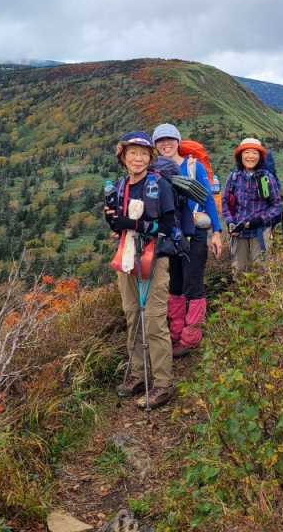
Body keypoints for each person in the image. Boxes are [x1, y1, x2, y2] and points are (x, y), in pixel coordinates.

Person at [104, 131, 176, 408]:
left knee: (155, 320)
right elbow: (117, 225)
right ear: (122, 157)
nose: (138, 158)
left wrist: (133, 224)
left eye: (143, 153)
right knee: (133, 316)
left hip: (154, 257)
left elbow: (169, 227)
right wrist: (113, 220)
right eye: (132, 153)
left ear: (150, 158)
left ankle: (162, 383)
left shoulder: (159, 185)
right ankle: (136, 373)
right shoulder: (120, 186)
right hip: (126, 256)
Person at [152, 123, 223, 358]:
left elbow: (208, 200)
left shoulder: (194, 166)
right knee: (175, 285)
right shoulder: (155, 169)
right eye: (161, 140)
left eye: (170, 139)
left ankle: (191, 337)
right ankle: (175, 333)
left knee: (193, 284)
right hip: (170, 235)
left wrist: (217, 231)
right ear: (155, 145)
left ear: (178, 141)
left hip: (195, 234)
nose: (166, 144)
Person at [223, 138, 283, 271]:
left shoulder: (266, 178)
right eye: (247, 152)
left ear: (260, 157)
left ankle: (260, 293)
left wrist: (261, 219)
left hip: (260, 230)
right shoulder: (233, 177)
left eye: (255, 153)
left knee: (261, 270)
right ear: (240, 156)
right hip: (239, 231)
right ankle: (239, 292)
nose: (250, 156)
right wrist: (230, 222)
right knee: (238, 269)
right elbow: (225, 203)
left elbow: (277, 204)